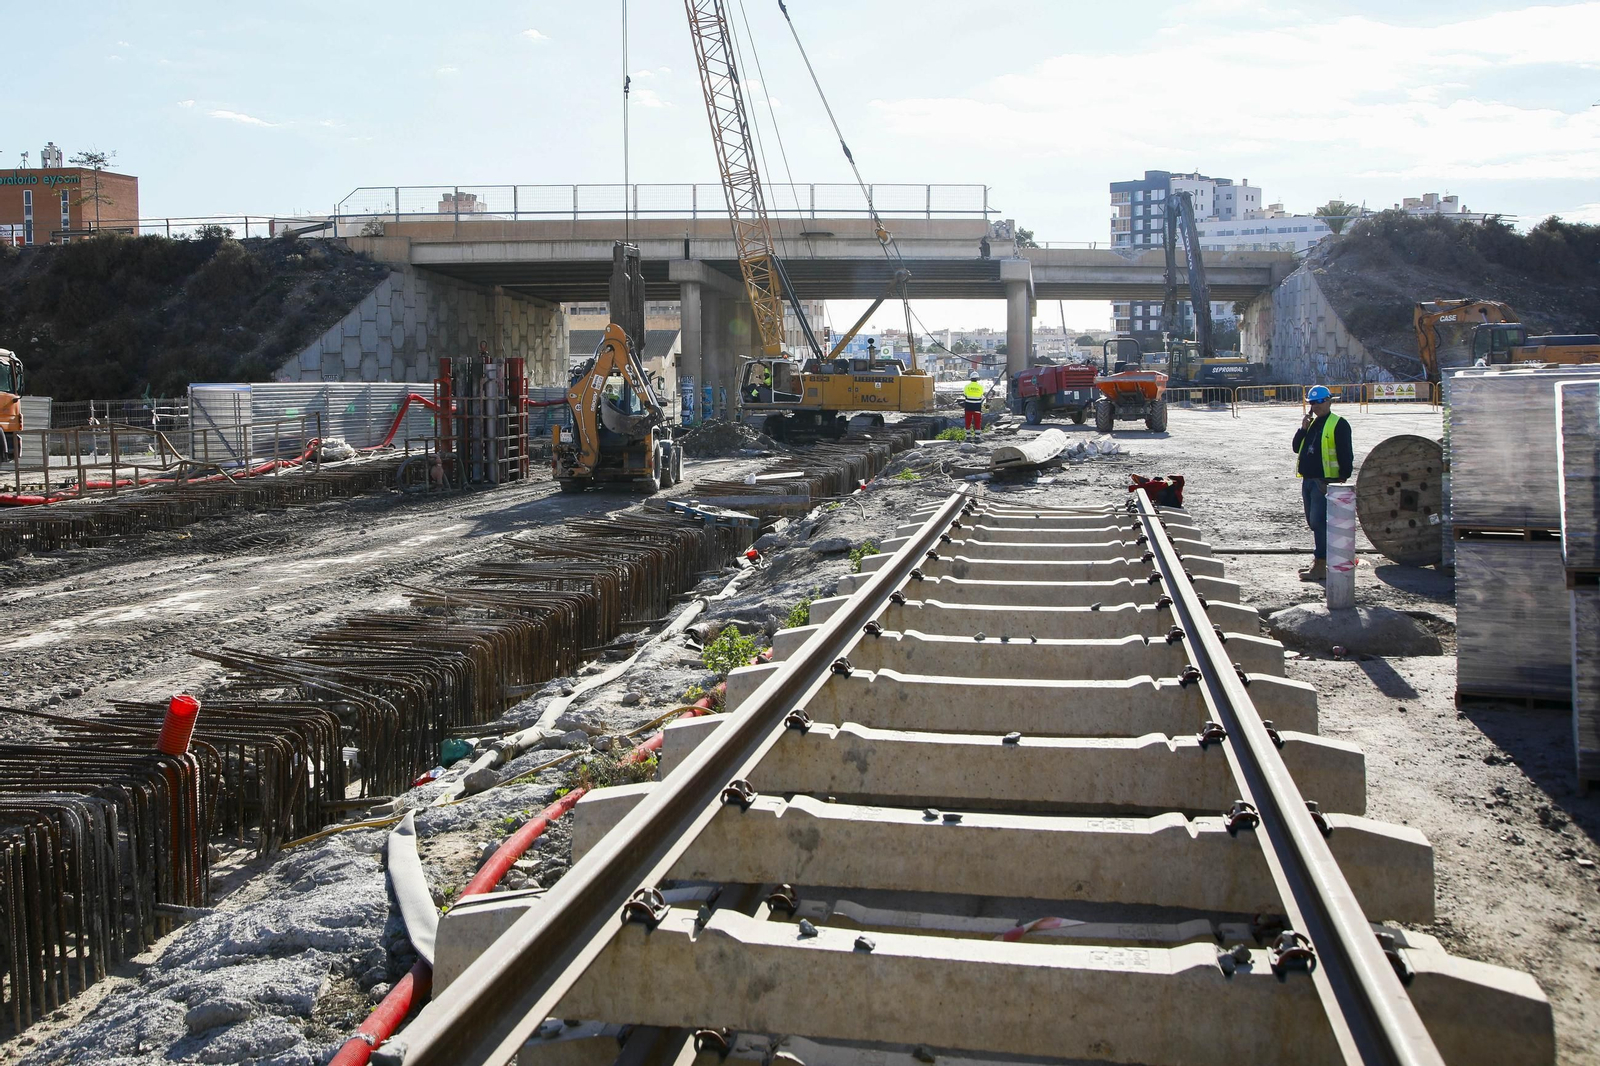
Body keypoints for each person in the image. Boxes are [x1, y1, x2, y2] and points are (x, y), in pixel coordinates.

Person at [1292, 385, 1354, 582]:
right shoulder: (1311, 424)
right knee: (1313, 522)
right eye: (1312, 403)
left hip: (1324, 482)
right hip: (1308, 481)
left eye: (1320, 402)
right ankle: (1322, 560)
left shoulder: (1338, 424)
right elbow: (1296, 448)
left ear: (1329, 401)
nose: (1316, 406)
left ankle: (1321, 564)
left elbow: (1346, 453)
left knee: (1319, 523)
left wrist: (1341, 479)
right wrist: (1302, 428)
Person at [962, 371, 986, 441]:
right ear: (977, 379)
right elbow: (981, 395)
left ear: (970, 378)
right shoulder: (980, 387)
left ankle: (968, 437)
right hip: (977, 407)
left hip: (968, 406)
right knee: (977, 421)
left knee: (968, 421)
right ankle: (977, 437)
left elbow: (965, 395)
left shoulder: (967, 386)